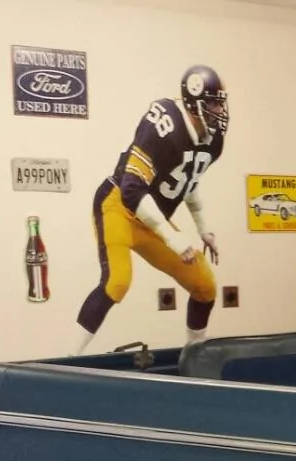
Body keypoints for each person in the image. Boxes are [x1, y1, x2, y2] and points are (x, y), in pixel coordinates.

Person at [73, 65, 229, 355]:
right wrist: (173, 238)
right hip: (118, 205)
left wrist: (202, 228)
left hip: (152, 216)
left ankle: (195, 360)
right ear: (194, 101)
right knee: (117, 282)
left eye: (221, 102)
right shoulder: (164, 124)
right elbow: (132, 189)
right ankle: (65, 359)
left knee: (205, 285)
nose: (219, 109)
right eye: (213, 102)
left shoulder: (211, 141)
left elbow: (187, 180)